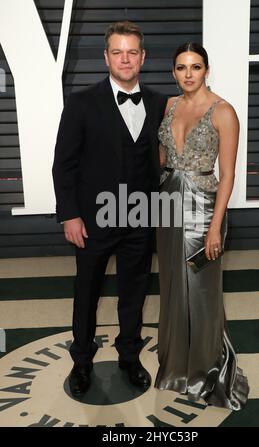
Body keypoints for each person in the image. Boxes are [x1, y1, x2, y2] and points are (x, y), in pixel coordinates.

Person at [52, 21, 167, 397]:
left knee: (134, 292)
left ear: (143, 57)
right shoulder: (81, 102)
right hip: (94, 218)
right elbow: (64, 164)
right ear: (106, 57)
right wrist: (70, 214)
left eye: (132, 52)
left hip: (141, 215)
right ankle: (81, 362)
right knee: (87, 292)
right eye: (117, 52)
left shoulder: (158, 102)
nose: (125, 59)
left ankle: (129, 358)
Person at [154, 42, 249, 410]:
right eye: (181, 68)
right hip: (167, 202)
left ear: (207, 70)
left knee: (201, 290)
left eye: (195, 67)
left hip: (204, 206)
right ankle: (176, 365)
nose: (188, 74)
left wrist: (215, 228)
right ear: (174, 72)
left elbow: (227, 176)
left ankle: (207, 370)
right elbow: (162, 158)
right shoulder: (170, 106)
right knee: (172, 284)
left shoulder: (223, 112)